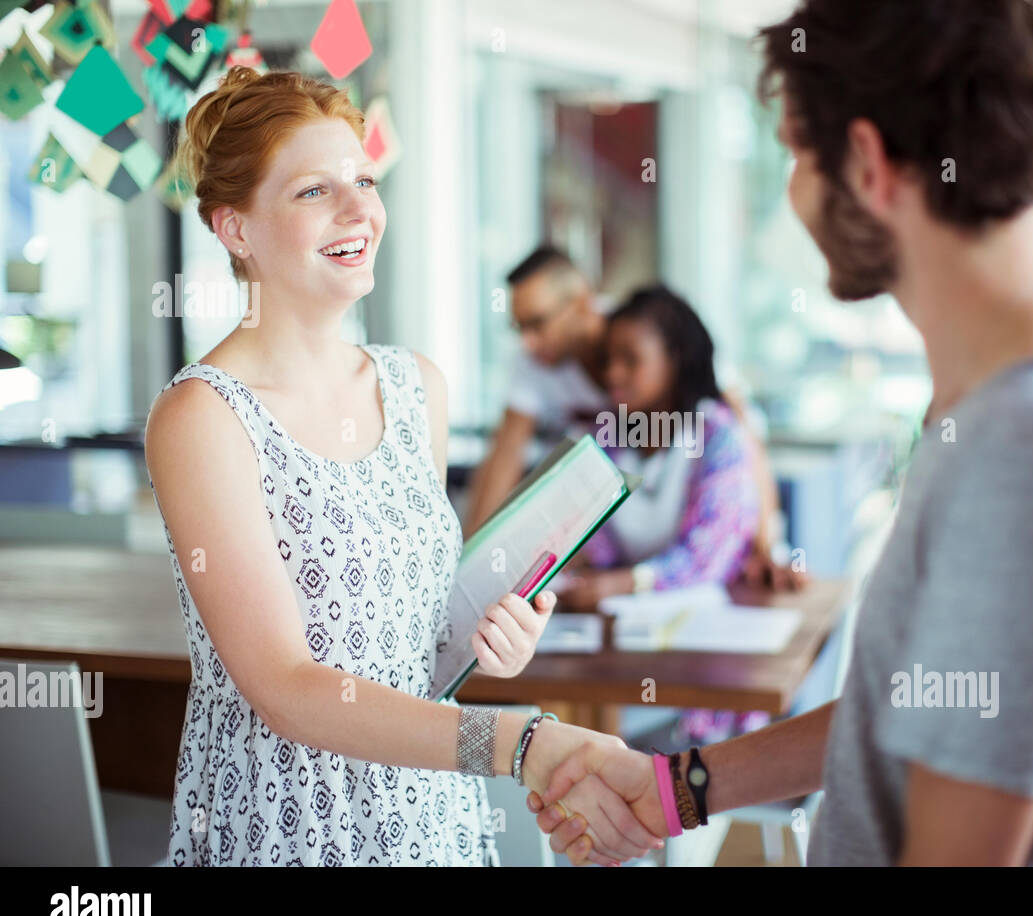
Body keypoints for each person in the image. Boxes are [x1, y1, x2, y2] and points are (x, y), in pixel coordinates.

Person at [527, 0, 1033, 867]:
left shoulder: (1020, 453)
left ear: (865, 163)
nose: (793, 193)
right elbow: (914, 703)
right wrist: (679, 787)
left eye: (795, 154)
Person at [145, 67, 661, 866]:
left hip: (427, 812)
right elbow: (283, 685)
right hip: (284, 825)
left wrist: (490, 638)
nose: (359, 211)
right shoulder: (201, 417)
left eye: (364, 179)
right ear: (236, 228)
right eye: (314, 191)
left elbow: (413, 646)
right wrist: (523, 742)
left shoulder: (415, 385)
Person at [465, 246, 804, 590]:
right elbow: (504, 456)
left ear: (582, 302)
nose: (528, 342)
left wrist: (768, 545)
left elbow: (743, 436)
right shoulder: (544, 376)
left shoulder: (651, 328)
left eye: (537, 323)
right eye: (519, 328)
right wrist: (472, 568)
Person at [560, 284, 773, 745]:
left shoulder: (718, 436)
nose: (613, 374)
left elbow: (705, 559)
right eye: (608, 360)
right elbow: (589, 541)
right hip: (623, 653)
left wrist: (620, 583)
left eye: (630, 360)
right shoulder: (606, 436)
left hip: (701, 668)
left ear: (674, 358)